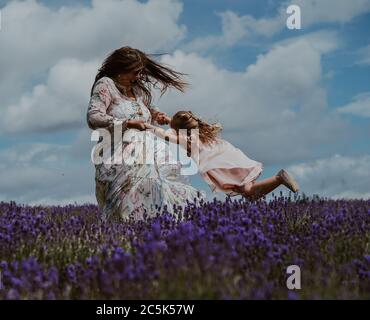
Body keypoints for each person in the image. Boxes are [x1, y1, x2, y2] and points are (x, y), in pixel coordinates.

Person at [87, 47, 205, 221]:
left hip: (151, 151)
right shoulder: (106, 85)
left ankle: (161, 232)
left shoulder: (138, 90)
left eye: (140, 72)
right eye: (134, 72)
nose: (138, 77)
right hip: (120, 154)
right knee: (128, 199)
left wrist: (159, 116)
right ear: (120, 70)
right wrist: (127, 124)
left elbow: (148, 112)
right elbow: (93, 117)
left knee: (159, 192)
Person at [145, 111, 300, 200]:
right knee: (249, 194)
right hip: (228, 158)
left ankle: (280, 178)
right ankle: (278, 180)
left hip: (220, 165)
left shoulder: (187, 140)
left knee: (248, 193)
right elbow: (183, 125)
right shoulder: (199, 131)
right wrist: (168, 120)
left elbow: (165, 136)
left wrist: (146, 126)